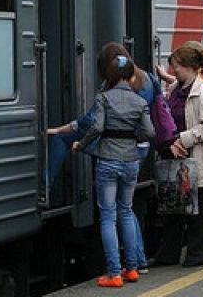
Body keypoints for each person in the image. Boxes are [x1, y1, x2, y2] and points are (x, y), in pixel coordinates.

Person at [73, 53, 155, 288]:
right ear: (130, 77)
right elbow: (149, 133)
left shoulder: (103, 98)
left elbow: (97, 127)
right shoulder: (140, 102)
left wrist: (81, 144)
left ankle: (114, 273)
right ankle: (132, 269)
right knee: (126, 211)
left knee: (108, 216)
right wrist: (132, 136)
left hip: (108, 161)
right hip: (131, 162)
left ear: (109, 76)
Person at [154, 44, 203, 268]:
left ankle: (196, 254)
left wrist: (181, 139)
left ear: (191, 68)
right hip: (176, 156)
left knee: (199, 209)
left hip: (195, 157)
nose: (173, 70)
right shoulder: (177, 87)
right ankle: (169, 254)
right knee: (174, 208)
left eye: (177, 66)